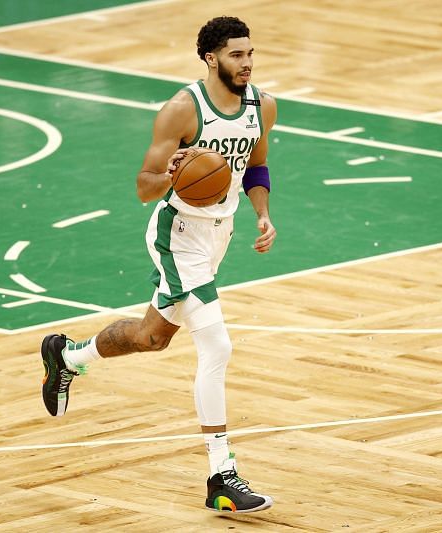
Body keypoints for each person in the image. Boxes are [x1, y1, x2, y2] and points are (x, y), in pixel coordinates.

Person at [40, 16, 276, 513]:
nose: (247, 62)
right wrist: (171, 174)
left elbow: (256, 165)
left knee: (152, 337)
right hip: (178, 235)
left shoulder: (262, 106)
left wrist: (262, 214)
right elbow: (144, 186)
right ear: (211, 59)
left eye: (250, 52)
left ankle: (67, 357)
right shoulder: (181, 111)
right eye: (236, 54)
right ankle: (221, 475)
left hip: (220, 234)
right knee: (217, 345)